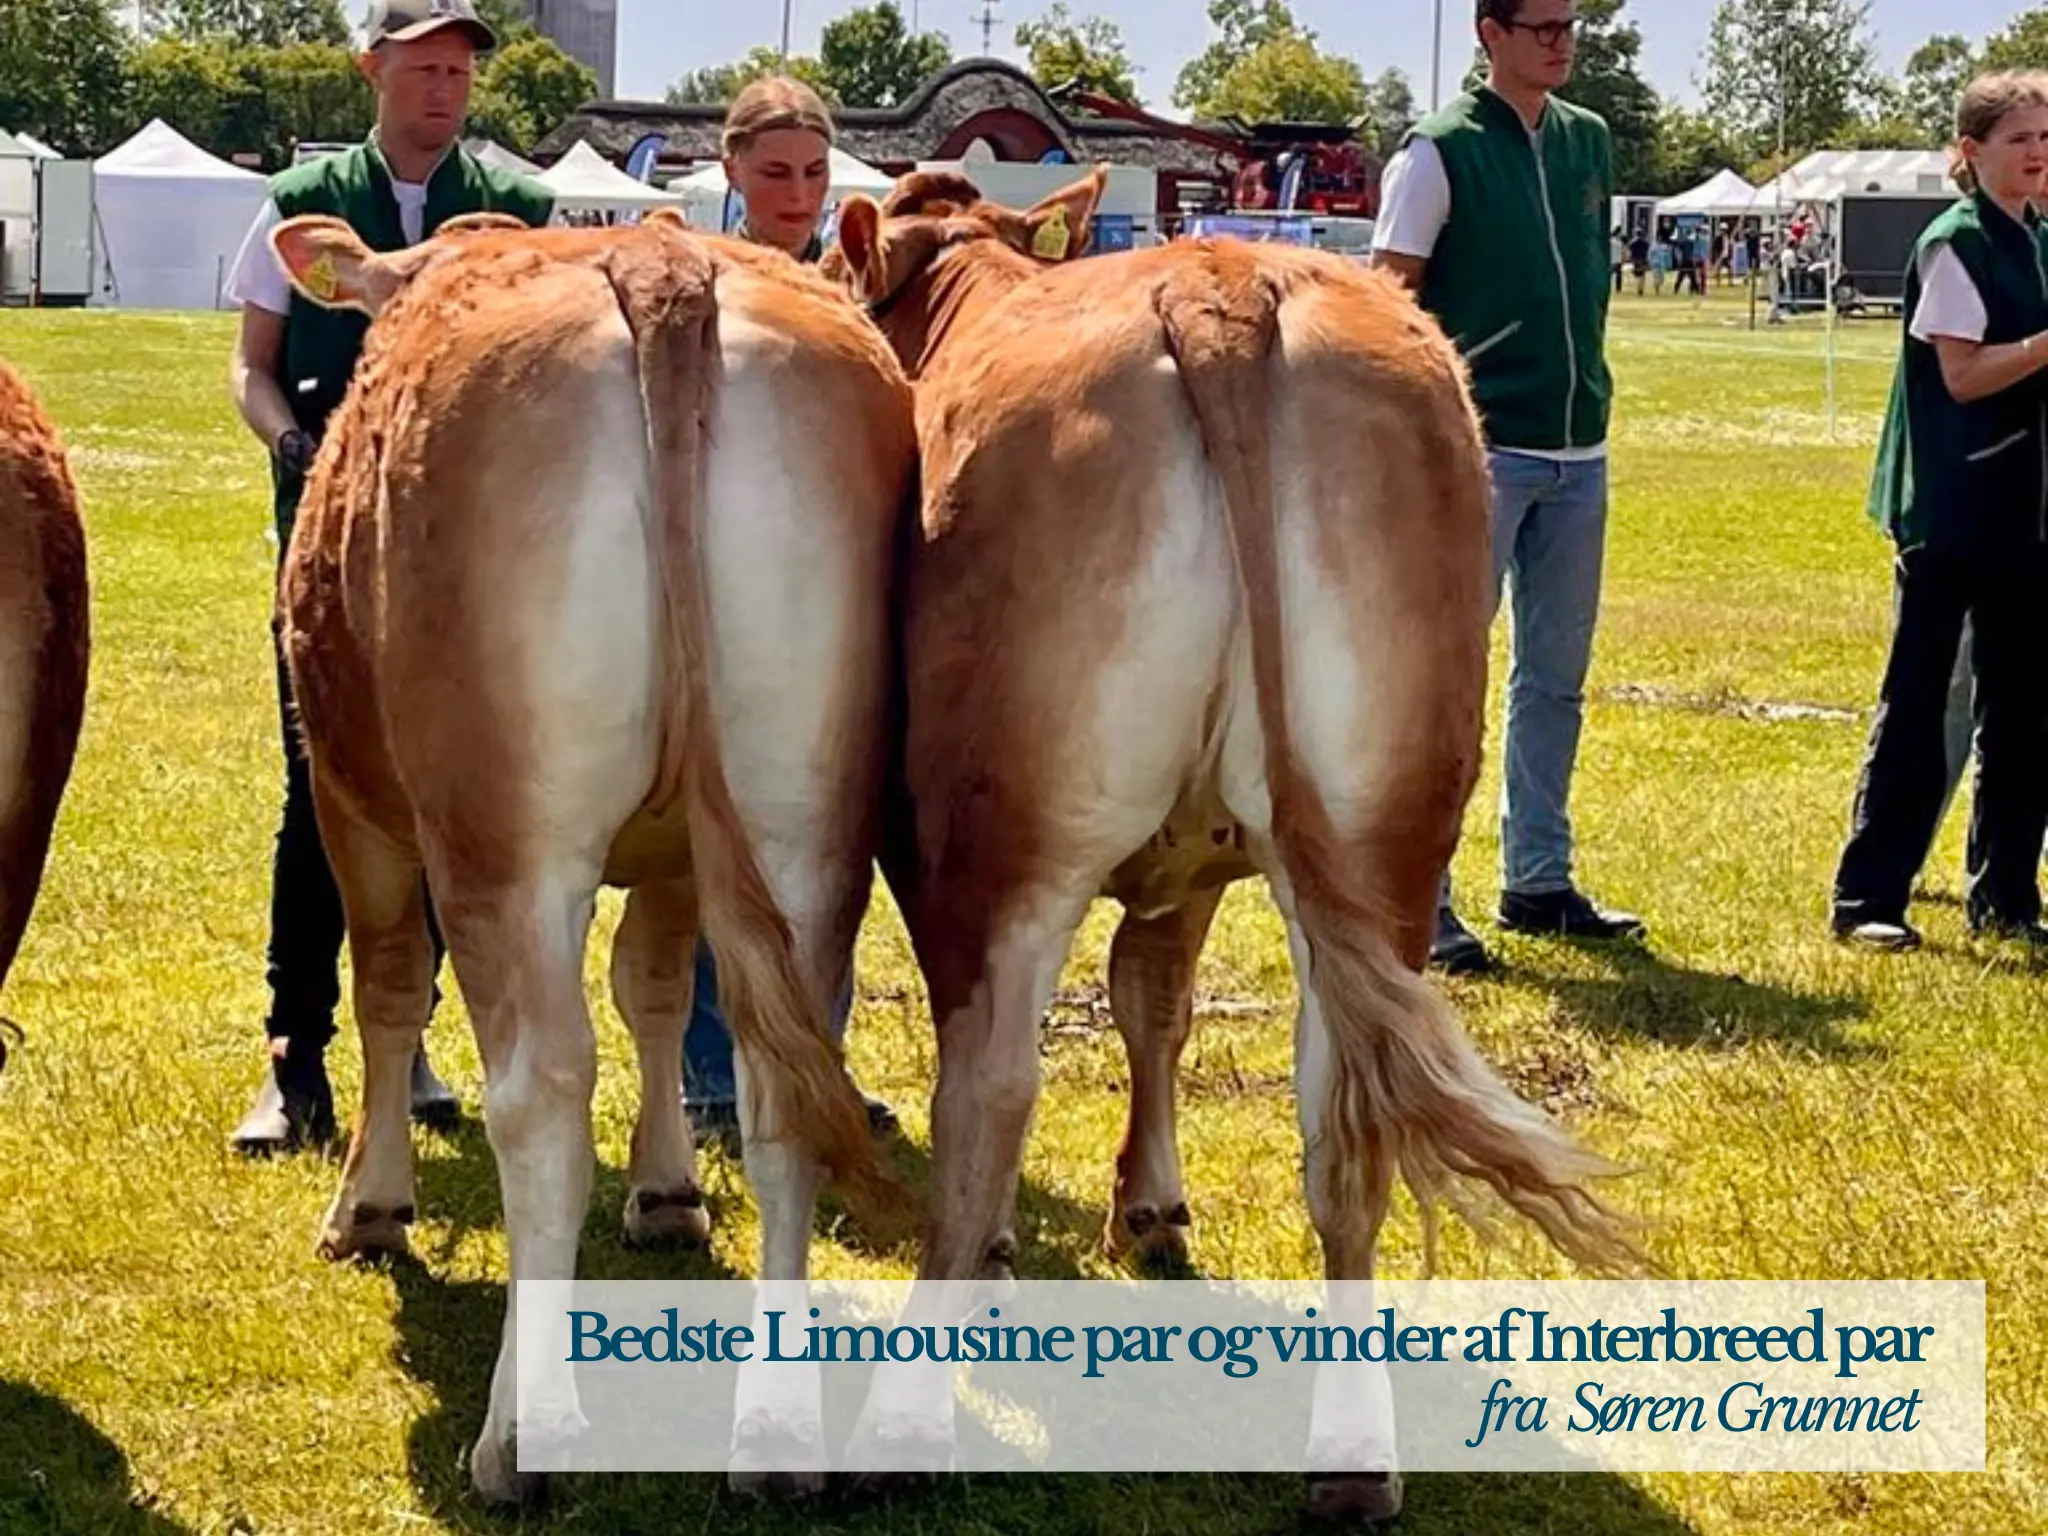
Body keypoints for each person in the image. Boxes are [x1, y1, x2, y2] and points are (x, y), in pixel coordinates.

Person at [223, 0, 556, 1152]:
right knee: (322, 793)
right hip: (332, 547)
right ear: (373, 69)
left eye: (458, 70)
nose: (443, 88)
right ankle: (295, 1051)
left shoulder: (524, 212)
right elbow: (251, 367)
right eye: (423, 68)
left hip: (475, 556)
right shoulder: (297, 206)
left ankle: (405, 1038)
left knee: (460, 794)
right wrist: (287, 441)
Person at [1370, 0, 1645, 976]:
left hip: (1578, 449)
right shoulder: (1437, 152)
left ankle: (1538, 878)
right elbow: (1385, 301)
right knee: (1444, 683)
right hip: (1477, 453)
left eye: (1569, 25)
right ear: (1489, 33)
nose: (1560, 42)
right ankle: (1423, 897)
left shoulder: (1587, 140)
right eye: (1541, 26)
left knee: (1554, 679)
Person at [681, 75, 898, 1151]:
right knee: (715, 828)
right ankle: (712, 1078)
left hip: (837, 582)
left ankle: (816, 1063)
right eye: (774, 172)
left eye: (813, 173)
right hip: (723, 577)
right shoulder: (693, 281)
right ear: (731, 170)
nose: (796, 194)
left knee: (827, 834)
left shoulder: (855, 284)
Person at [1831, 72, 2048, 952]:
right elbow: (1962, 375)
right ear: (1971, 151)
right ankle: (1867, 898)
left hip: (2027, 511)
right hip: (1951, 509)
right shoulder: (1955, 242)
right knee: (1921, 705)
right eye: (2019, 138)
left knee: (2025, 711)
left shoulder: (2037, 237)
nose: (2037, 153)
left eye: (2045, 137)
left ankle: (2008, 897)